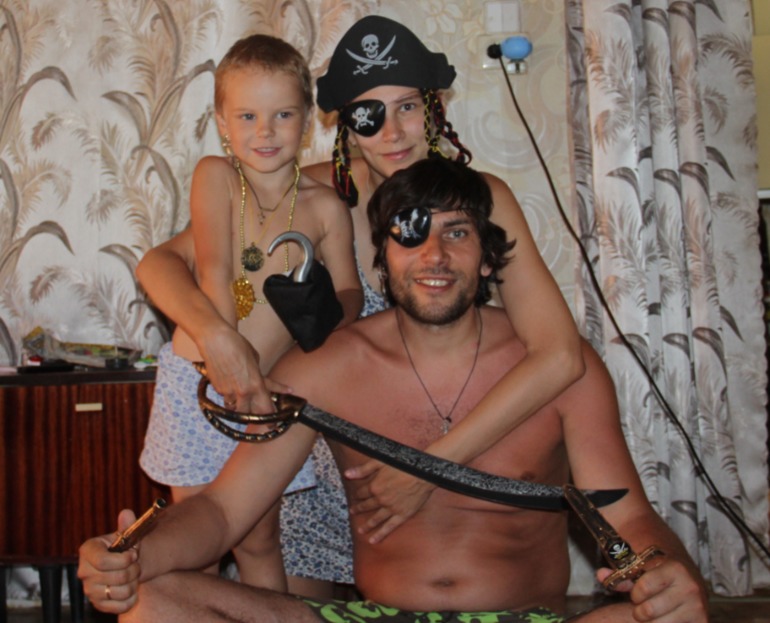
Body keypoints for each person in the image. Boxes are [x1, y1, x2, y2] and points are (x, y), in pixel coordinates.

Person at [78, 158, 708, 622]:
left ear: (489, 260)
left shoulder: (563, 369)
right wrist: (134, 556)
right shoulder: (328, 368)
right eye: (410, 233)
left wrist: (662, 574)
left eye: (457, 233)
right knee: (154, 600)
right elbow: (222, 512)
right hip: (374, 619)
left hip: (526, 619)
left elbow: (629, 516)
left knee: (673, 617)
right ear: (382, 258)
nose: (433, 255)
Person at [136, 15, 585, 596]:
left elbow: (559, 356)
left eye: (408, 107)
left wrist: (429, 468)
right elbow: (161, 263)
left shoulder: (475, 203)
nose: (393, 133)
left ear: (434, 106)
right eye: (370, 114)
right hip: (309, 464)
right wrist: (218, 336)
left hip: (426, 459)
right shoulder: (310, 195)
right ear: (344, 123)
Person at [136, 34, 362, 591]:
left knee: (260, 538)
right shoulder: (215, 176)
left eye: (283, 114)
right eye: (247, 116)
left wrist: (325, 322)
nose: (265, 131)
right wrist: (230, 364)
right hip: (197, 386)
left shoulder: (325, 207)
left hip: (268, 396)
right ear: (222, 122)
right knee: (196, 542)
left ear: (307, 120)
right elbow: (215, 270)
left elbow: (350, 291)